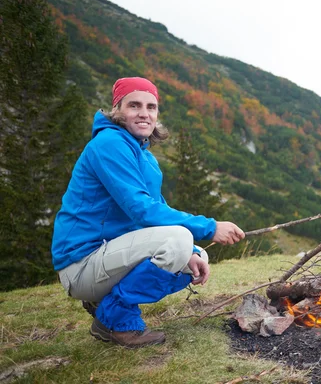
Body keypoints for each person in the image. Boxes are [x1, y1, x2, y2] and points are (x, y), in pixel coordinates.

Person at [51, 77, 245, 348]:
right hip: (82, 264)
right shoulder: (109, 143)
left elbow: (155, 213)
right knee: (178, 240)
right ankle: (114, 320)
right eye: (134, 105)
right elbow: (142, 211)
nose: (144, 113)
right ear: (117, 109)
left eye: (151, 107)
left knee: (195, 254)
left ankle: (105, 304)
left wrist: (188, 251)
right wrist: (210, 227)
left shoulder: (145, 157)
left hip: (107, 257)